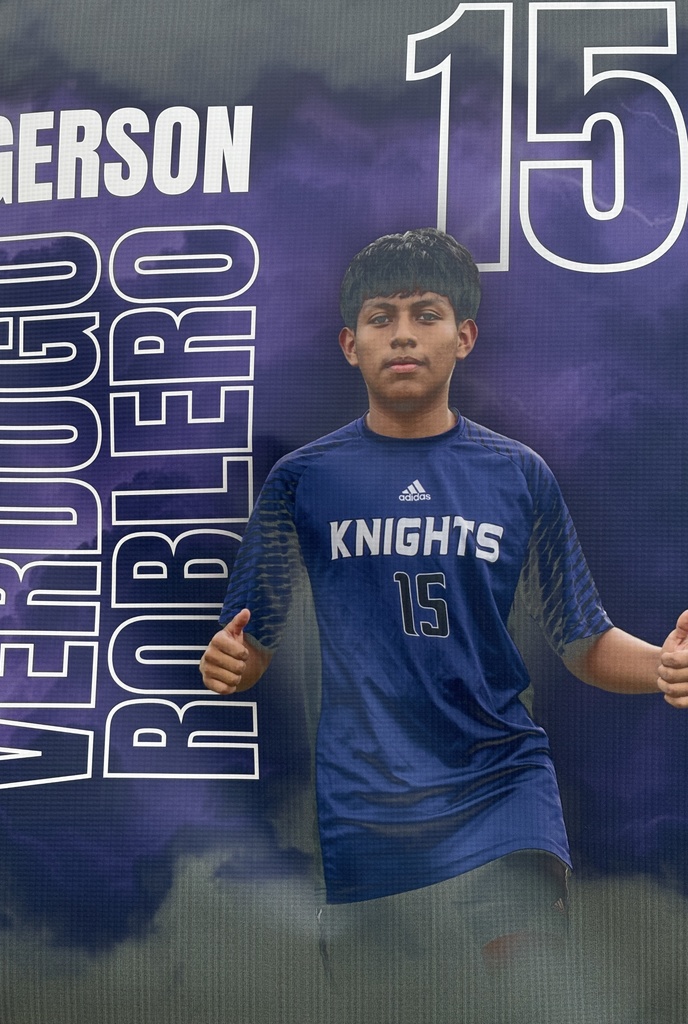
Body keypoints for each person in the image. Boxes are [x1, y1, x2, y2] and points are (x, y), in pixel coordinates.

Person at [200, 228, 688, 1023]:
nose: (401, 332)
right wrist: (231, 664)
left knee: (531, 994)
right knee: (386, 1004)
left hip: (503, 785)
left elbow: (583, 638)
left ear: (463, 336)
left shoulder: (519, 476)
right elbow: (250, 641)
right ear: (348, 344)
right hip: (367, 807)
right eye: (381, 316)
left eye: (426, 313)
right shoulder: (301, 481)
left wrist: (659, 668)